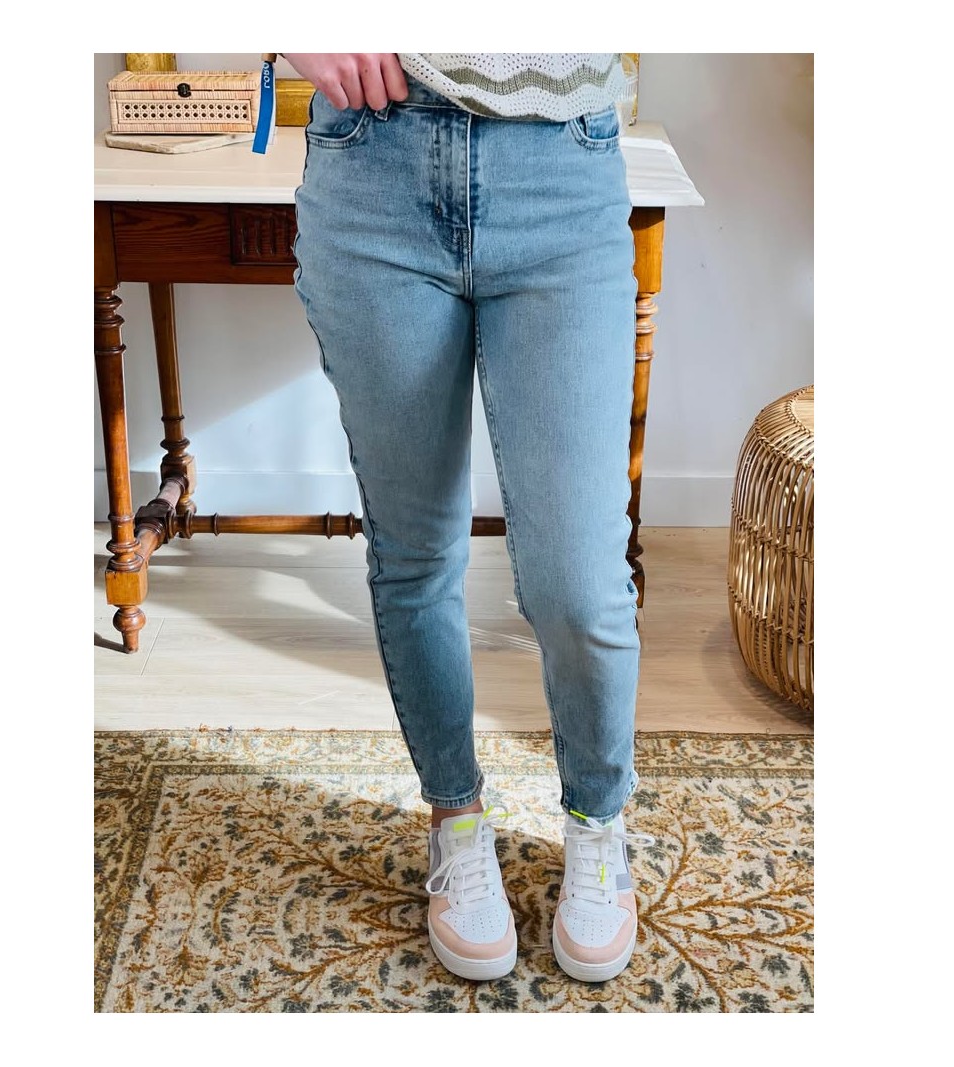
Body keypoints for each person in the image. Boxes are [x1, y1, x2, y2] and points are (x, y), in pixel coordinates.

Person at [284, 52, 655, 984]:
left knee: (579, 582)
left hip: (561, 163)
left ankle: (597, 822)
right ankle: (456, 817)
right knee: (415, 552)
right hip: (375, 161)